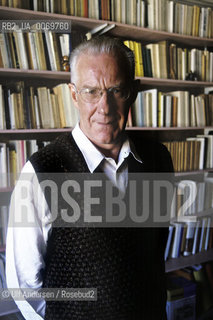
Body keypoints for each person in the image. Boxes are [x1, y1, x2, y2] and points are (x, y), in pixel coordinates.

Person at [6, 36, 174, 320]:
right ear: (73, 95)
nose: (104, 107)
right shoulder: (41, 173)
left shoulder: (158, 159)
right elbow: (25, 287)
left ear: (133, 91)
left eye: (116, 90)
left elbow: (155, 250)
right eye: (91, 92)